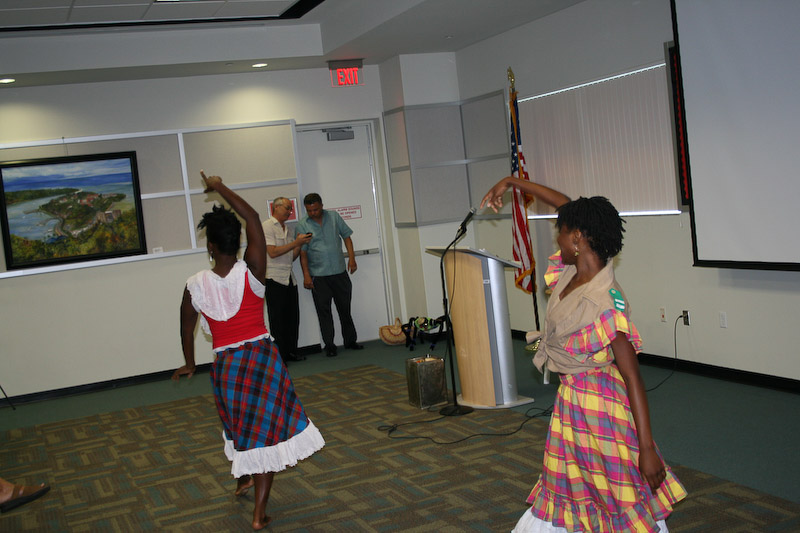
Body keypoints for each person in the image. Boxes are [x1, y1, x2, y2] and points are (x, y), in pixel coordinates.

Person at [482, 176, 686, 532]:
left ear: (577, 239)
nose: (557, 239)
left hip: (600, 407)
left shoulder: (605, 301)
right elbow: (566, 204)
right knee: (572, 483)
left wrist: (647, 448)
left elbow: (633, 377)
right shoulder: (572, 271)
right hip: (572, 401)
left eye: (561, 233)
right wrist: (512, 182)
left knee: (614, 488)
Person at [173, 172, 324, 530]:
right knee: (264, 434)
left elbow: (186, 327)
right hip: (261, 362)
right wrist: (219, 187)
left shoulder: (195, 285)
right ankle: (258, 514)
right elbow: (253, 217)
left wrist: (189, 364)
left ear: (211, 246)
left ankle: (245, 482)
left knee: (241, 424)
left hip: (227, 366)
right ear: (239, 242)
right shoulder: (253, 270)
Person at [296, 193, 363, 357]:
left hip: (339, 272)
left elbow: (347, 237)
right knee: (324, 312)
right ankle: (330, 345)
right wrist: (306, 275)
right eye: (309, 210)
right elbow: (303, 253)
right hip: (318, 276)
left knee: (345, 308)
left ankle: (350, 341)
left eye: (315, 209)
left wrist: (352, 259)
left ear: (321, 205)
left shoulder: (334, 217)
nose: (313, 213)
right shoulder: (302, 225)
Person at [262, 197, 312, 364]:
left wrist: (299, 244)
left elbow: (291, 257)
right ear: (275, 207)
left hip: (289, 277)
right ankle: (280, 356)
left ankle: (291, 351)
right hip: (274, 278)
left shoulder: (289, 229)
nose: (290, 212)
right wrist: (295, 243)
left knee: (292, 317)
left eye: (290, 209)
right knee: (277, 320)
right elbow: (272, 252)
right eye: (287, 208)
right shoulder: (267, 226)